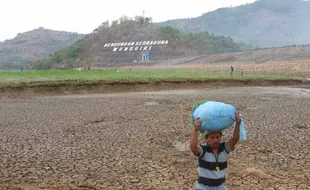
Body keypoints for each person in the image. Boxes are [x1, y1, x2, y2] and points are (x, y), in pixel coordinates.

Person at [190, 111, 241, 190]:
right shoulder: (204, 149)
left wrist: (238, 124)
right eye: (212, 138)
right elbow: (193, 148)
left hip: (220, 187)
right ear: (206, 139)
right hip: (203, 188)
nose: (215, 140)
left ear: (220, 137)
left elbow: (235, 139)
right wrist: (196, 130)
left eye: (217, 137)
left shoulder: (224, 149)